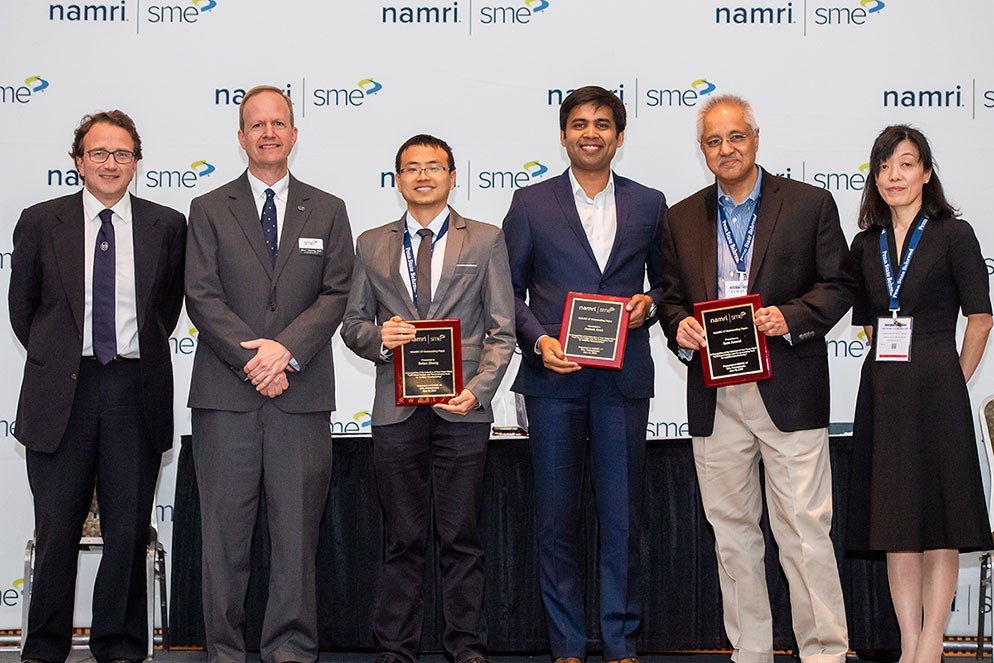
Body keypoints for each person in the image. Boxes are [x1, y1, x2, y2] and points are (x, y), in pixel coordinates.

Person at [658, 94, 854, 663]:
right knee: (733, 538)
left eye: (735, 137)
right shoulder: (681, 216)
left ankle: (824, 654)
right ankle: (751, 653)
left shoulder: (808, 204)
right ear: (703, 151)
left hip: (788, 388)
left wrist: (789, 317)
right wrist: (681, 329)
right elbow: (671, 301)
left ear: (756, 138)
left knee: (804, 534)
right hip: (715, 395)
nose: (726, 149)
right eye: (714, 142)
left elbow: (839, 285)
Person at [8, 110, 186, 663]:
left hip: (135, 388)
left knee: (128, 532)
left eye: (122, 154)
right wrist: (61, 353)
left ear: (137, 161)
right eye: (99, 154)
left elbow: (167, 311)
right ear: (79, 162)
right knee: (56, 528)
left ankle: (120, 646)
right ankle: (43, 648)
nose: (111, 164)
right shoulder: (41, 221)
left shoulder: (167, 225)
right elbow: (24, 311)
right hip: (63, 391)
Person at [184, 85, 354, 663]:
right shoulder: (207, 208)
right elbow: (201, 297)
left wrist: (286, 352)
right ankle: (225, 652)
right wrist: (256, 359)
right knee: (224, 543)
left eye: (278, 122)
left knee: (295, 539)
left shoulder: (328, 209)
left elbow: (337, 293)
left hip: (300, 397)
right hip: (225, 399)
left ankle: (289, 650)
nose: (268, 133)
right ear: (240, 137)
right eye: (256, 125)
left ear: (295, 133)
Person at [502, 85, 667, 663]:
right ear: (564, 133)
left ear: (620, 137)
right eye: (578, 123)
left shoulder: (649, 203)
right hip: (554, 381)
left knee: (623, 520)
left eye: (602, 124)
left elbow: (668, 285)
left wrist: (649, 304)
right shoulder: (530, 202)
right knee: (556, 522)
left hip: (622, 381)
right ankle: (567, 644)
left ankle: (621, 642)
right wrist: (540, 339)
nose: (590, 132)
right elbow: (508, 291)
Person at [341, 134, 515, 663]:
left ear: (452, 176)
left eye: (434, 167)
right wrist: (378, 339)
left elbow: (502, 330)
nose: (423, 176)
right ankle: (396, 649)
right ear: (397, 180)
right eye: (412, 168)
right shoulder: (372, 243)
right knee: (402, 537)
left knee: (461, 537)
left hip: (460, 409)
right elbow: (352, 325)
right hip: (396, 410)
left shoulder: (484, 240)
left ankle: (467, 648)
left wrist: (478, 392)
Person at [846, 125, 993, 663]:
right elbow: (868, 322)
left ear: (927, 173)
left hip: (938, 385)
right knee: (896, 523)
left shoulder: (955, 234)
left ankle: (931, 645)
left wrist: (955, 375)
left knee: (941, 522)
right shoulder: (866, 244)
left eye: (906, 164)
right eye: (884, 166)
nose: (894, 176)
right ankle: (909, 642)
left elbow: (980, 318)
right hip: (884, 391)